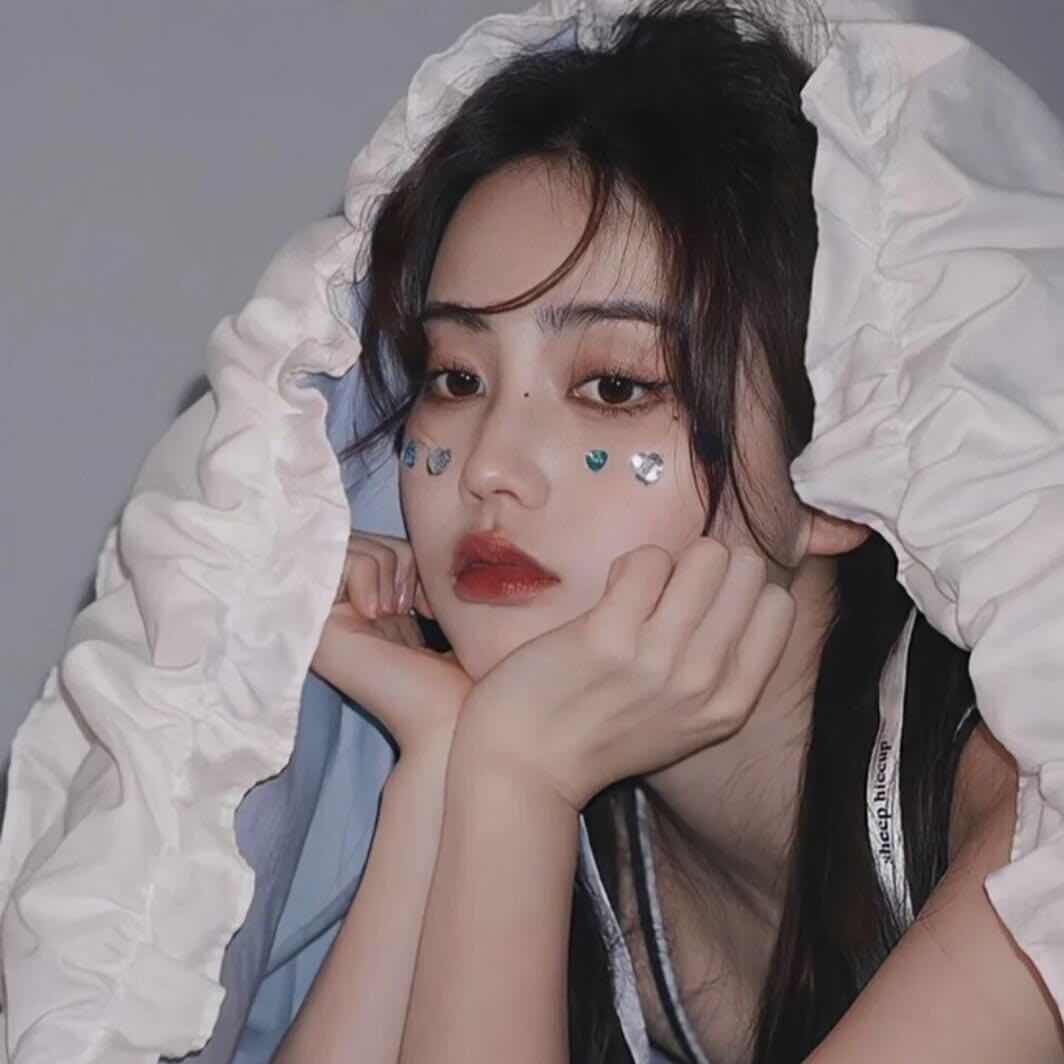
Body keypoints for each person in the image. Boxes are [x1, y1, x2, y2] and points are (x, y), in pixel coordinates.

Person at [268, 3, 1064, 1062]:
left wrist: (514, 775)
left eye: (613, 386)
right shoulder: (545, 768)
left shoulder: (1034, 841)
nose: (491, 466)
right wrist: (446, 754)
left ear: (839, 479)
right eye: (455, 377)